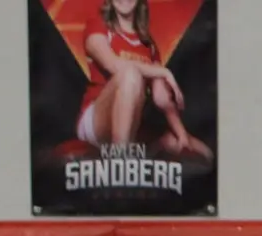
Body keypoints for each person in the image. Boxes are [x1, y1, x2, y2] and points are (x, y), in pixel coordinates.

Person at [76, 0, 210, 161]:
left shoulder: (149, 46)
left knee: (203, 152)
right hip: (96, 121)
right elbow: (113, 64)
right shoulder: (98, 26)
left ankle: (131, 150)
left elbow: (161, 99)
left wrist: (182, 135)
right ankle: (121, 162)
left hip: (133, 121)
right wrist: (163, 71)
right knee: (130, 74)